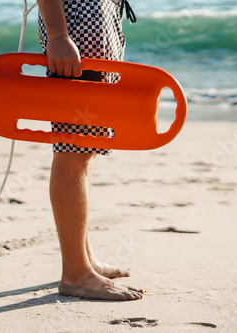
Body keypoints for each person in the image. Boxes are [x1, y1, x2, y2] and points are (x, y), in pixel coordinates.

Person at [36, 0, 143, 300]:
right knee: (73, 151)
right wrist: (57, 35)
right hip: (78, 28)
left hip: (96, 26)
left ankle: (83, 258)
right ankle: (75, 274)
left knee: (85, 150)